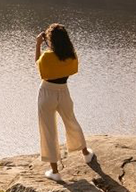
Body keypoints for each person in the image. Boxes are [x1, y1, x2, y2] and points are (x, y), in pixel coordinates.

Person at [35, 23, 94, 182]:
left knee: (48, 130)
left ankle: (55, 171)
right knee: (71, 121)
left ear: (50, 40)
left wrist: (38, 44)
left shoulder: (47, 56)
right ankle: (86, 154)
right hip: (64, 91)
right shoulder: (71, 55)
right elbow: (72, 70)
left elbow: (40, 70)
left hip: (47, 92)